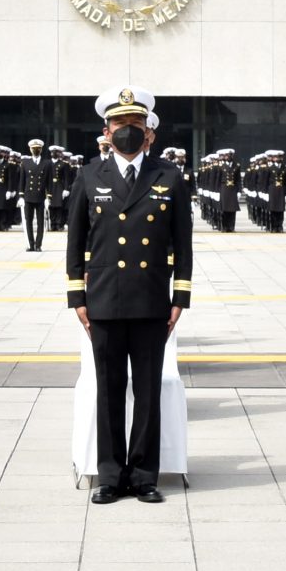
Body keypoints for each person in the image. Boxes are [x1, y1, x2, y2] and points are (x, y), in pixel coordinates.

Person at [65, 87, 193, 504]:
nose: (128, 132)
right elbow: (74, 243)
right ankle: (108, 474)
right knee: (108, 390)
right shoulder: (88, 175)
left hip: (152, 300)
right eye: (120, 125)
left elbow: (183, 244)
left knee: (149, 390)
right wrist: (77, 298)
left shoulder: (169, 177)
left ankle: (143, 475)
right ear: (107, 130)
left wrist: (180, 298)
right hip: (103, 300)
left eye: (136, 125)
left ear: (149, 134)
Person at [21, 139, 51, 253]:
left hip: (40, 197)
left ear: (41, 149)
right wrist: (21, 196)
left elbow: (49, 181)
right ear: (30, 149)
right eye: (34, 149)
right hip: (28, 196)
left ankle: (38, 245)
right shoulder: (25, 163)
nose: (35, 150)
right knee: (28, 222)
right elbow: (22, 181)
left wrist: (49, 197)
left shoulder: (47, 163)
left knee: (40, 222)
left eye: (38, 148)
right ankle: (30, 244)